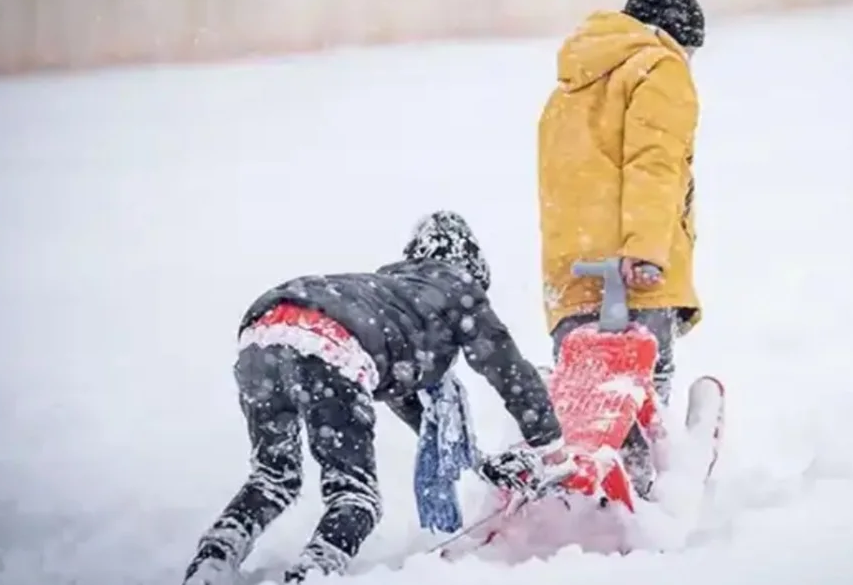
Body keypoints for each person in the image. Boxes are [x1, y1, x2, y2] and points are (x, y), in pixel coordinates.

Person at [182, 211, 574, 585]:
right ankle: (312, 574)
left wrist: (482, 463)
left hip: (263, 332)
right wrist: (552, 448)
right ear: (473, 268)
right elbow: (510, 372)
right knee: (355, 499)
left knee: (272, 478)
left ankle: (213, 561)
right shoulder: (458, 291)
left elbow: (418, 412)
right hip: (329, 346)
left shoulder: (390, 297)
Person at [536, 0, 706, 498]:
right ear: (678, 36)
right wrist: (646, 251)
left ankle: (588, 497)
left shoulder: (571, 83)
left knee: (590, 405)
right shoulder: (660, 67)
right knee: (642, 392)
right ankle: (643, 497)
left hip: (570, 272)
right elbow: (653, 166)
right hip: (635, 270)